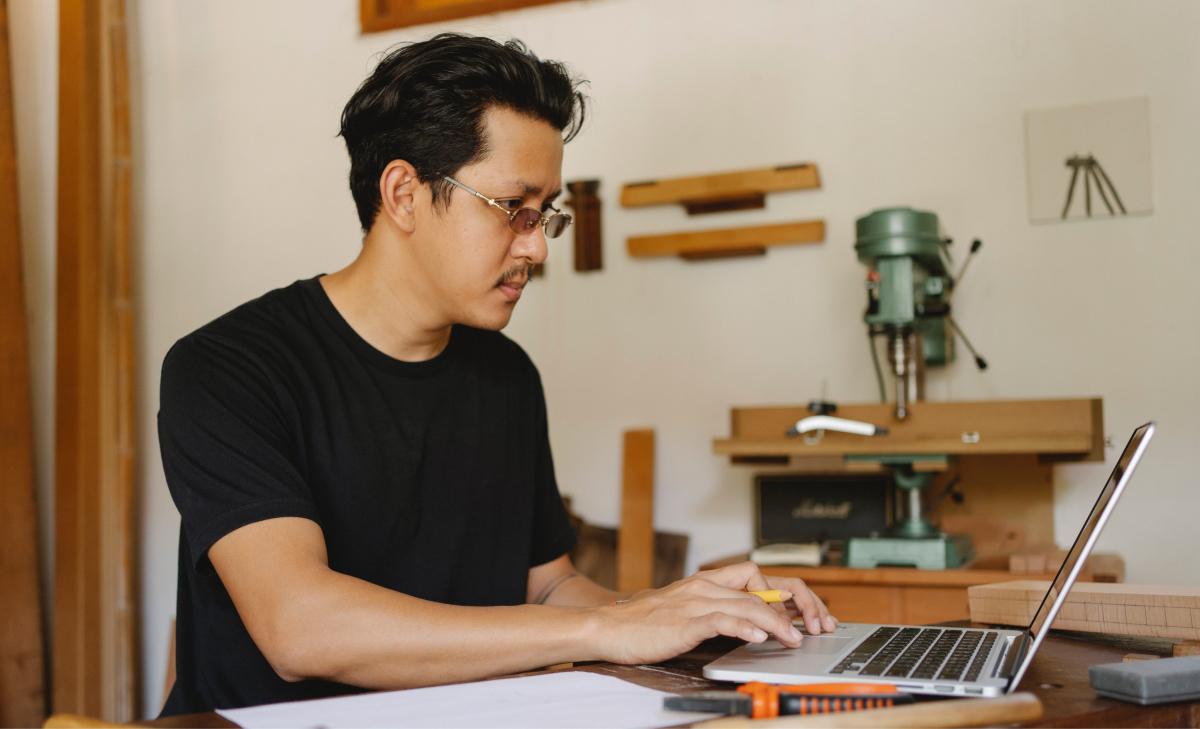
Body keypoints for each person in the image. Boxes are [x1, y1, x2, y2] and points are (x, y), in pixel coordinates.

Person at [158, 33, 835, 716]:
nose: (537, 246)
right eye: (514, 209)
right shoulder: (228, 369)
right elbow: (302, 628)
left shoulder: (504, 375)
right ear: (404, 194)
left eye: (546, 215)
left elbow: (547, 586)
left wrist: (689, 608)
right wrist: (610, 627)